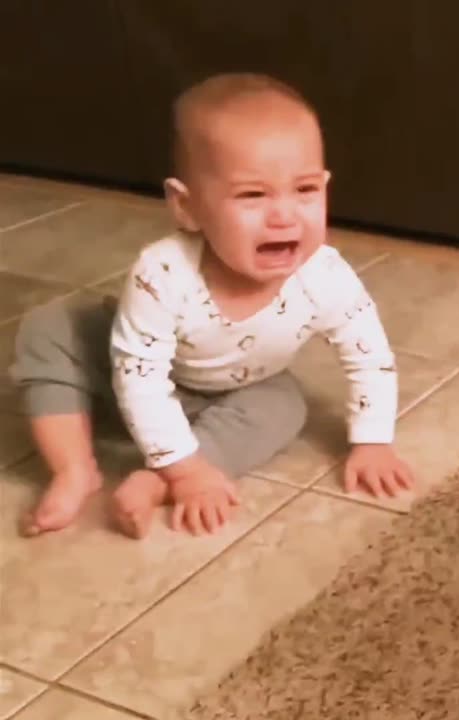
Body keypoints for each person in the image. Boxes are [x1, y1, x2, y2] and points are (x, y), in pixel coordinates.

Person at [9, 72, 416, 538]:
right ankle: (74, 469)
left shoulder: (324, 277)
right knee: (52, 328)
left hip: (235, 388)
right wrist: (184, 471)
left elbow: (370, 357)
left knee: (283, 404)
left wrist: (372, 441)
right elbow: (138, 375)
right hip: (131, 371)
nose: (284, 215)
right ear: (188, 207)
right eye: (252, 195)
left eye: (305, 190)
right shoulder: (163, 273)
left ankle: (159, 477)